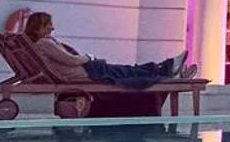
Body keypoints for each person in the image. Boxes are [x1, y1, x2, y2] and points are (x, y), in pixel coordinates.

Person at [22, 12, 194, 89]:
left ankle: (166, 69)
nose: (53, 27)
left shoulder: (43, 43)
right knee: (127, 72)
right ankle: (166, 69)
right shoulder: (44, 44)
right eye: (49, 25)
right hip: (85, 72)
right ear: (40, 27)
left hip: (86, 70)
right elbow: (71, 60)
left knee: (127, 70)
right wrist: (88, 57)